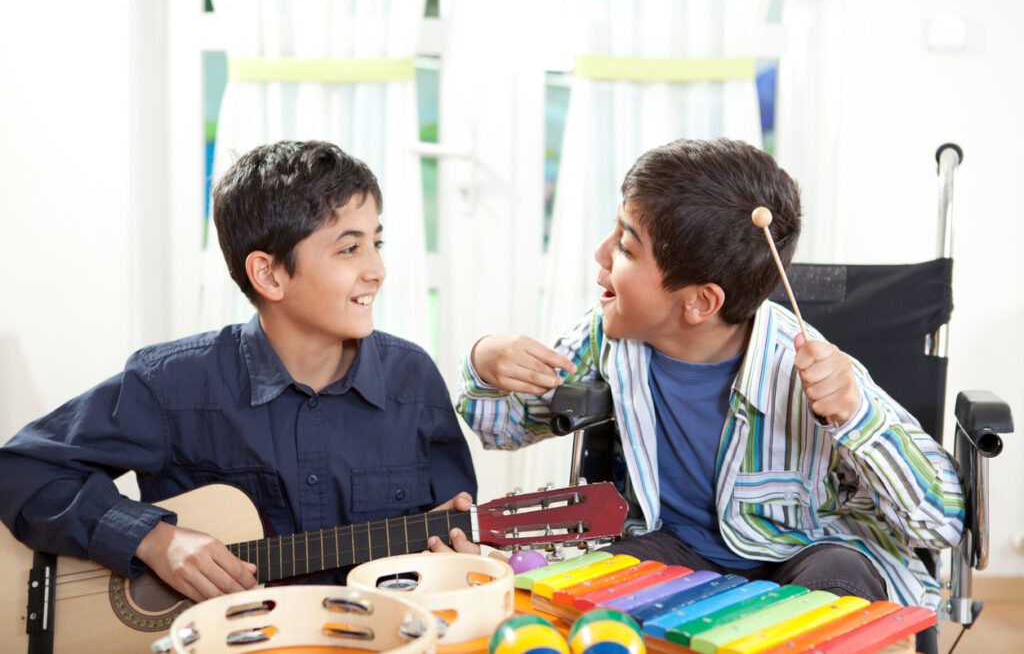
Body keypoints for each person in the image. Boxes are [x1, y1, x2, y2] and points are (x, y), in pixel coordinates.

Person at [455, 138, 964, 614]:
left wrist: (856, 414)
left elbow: (942, 522)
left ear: (700, 301)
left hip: (810, 549)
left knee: (839, 579)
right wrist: (483, 361)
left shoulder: (810, 365)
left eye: (627, 249)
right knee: (601, 584)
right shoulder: (606, 338)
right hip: (675, 548)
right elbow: (501, 427)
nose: (600, 254)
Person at [0, 140, 478, 603]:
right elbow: (20, 470)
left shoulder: (412, 379)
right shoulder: (172, 383)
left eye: (377, 242)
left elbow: (455, 541)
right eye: (350, 249)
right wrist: (152, 539)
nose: (378, 269)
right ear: (268, 274)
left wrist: (458, 557)